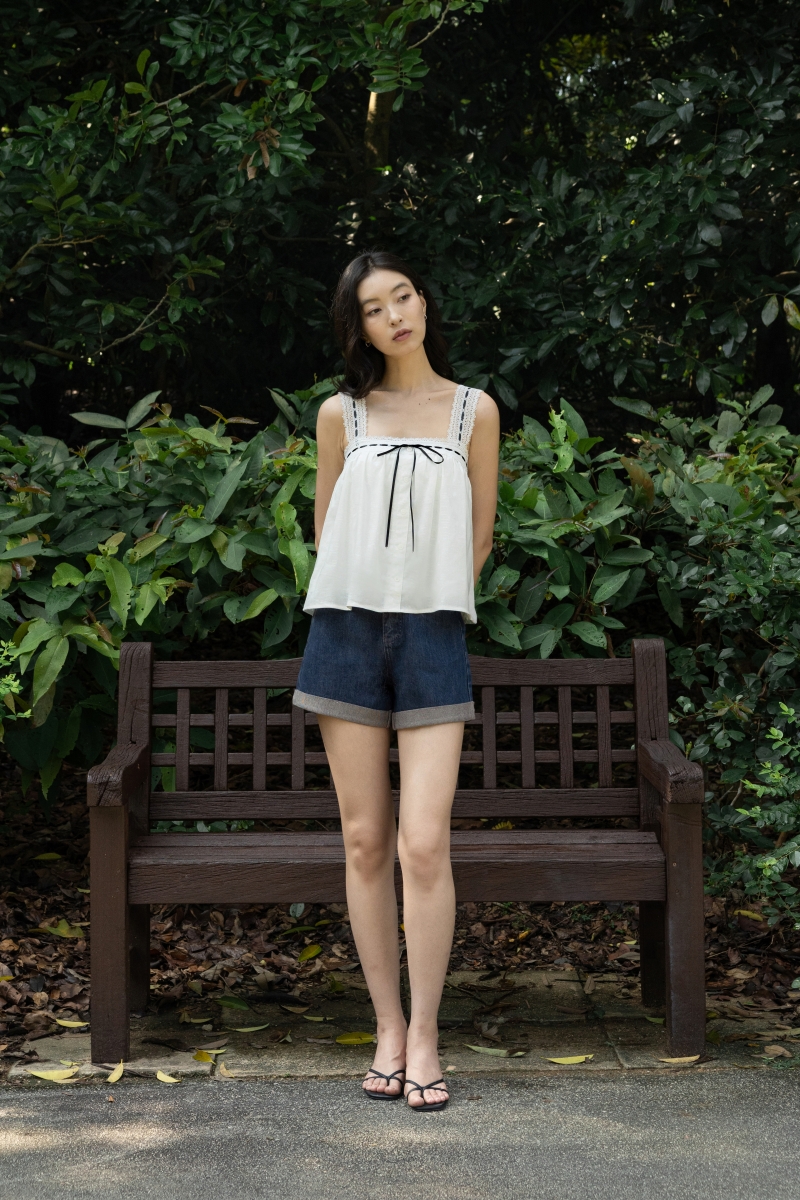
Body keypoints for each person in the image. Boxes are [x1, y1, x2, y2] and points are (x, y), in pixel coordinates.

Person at [293, 250, 499, 1111]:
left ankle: (426, 1034)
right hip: (345, 631)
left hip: (432, 636)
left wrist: (422, 597)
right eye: (374, 309)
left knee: (423, 843)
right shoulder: (339, 414)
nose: (395, 317)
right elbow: (325, 528)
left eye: (403, 297)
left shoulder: (473, 411)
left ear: (423, 301)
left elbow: (479, 538)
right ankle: (386, 1026)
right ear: (359, 328)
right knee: (365, 841)